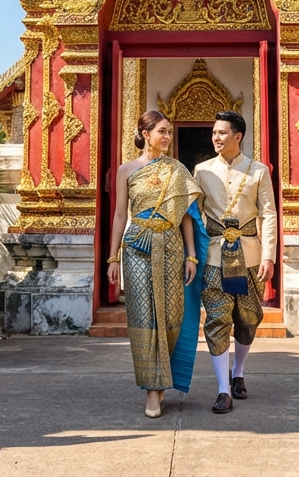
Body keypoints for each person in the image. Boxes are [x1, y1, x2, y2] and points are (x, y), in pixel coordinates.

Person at [106, 110, 209, 418]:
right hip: (137, 246)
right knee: (143, 316)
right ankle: (152, 388)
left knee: (171, 314)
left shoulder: (177, 169)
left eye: (169, 131)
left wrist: (192, 255)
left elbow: (187, 216)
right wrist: (113, 257)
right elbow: (120, 214)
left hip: (172, 246)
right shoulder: (126, 170)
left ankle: (163, 379)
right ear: (145, 134)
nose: (167, 136)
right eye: (161, 131)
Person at [193, 110, 277, 414]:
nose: (216, 137)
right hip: (214, 256)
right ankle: (223, 389)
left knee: (248, 318)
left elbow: (269, 214)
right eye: (214, 132)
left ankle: (238, 372)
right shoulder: (202, 171)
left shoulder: (258, 171)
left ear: (237, 136)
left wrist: (268, 255)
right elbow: (194, 215)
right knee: (217, 319)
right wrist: (192, 254)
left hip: (250, 256)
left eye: (222, 132)